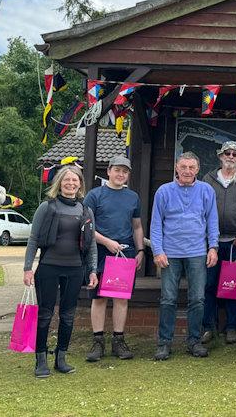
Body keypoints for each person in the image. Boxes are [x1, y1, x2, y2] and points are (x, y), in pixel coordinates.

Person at [23, 165, 98, 378]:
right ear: (59, 183)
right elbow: (33, 239)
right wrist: (28, 268)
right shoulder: (47, 207)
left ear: (80, 184)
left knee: (68, 315)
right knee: (45, 314)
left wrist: (92, 270)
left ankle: (61, 358)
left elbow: (91, 243)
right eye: (67, 180)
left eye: (75, 180)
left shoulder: (85, 210)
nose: (71, 184)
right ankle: (40, 360)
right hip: (48, 267)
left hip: (75, 269)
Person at [151, 152, 219, 360]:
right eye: (183, 167)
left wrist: (213, 247)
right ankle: (164, 343)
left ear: (197, 170)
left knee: (197, 298)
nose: (187, 171)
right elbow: (155, 224)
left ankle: (194, 341)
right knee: (168, 298)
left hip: (197, 252)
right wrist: (157, 251)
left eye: (191, 167)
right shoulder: (164, 191)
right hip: (170, 253)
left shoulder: (206, 190)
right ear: (176, 168)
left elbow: (212, 221)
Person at [85, 156, 145, 362]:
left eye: (125, 172)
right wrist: (106, 242)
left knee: (121, 298)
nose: (121, 175)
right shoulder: (94, 196)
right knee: (99, 298)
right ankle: (97, 341)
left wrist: (140, 251)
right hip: (100, 252)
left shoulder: (133, 197)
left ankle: (118, 340)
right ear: (108, 171)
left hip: (125, 253)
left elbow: (137, 226)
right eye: (117, 170)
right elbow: (86, 227)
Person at [201, 141, 236, 345]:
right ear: (220, 156)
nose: (231, 157)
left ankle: (232, 327)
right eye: (227, 153)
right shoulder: (208, 180)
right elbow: (202, 209)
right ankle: (208, 326)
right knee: (209, 285)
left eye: (235, 154)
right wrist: (208, 238)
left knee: (234, 286)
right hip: (212, 243)